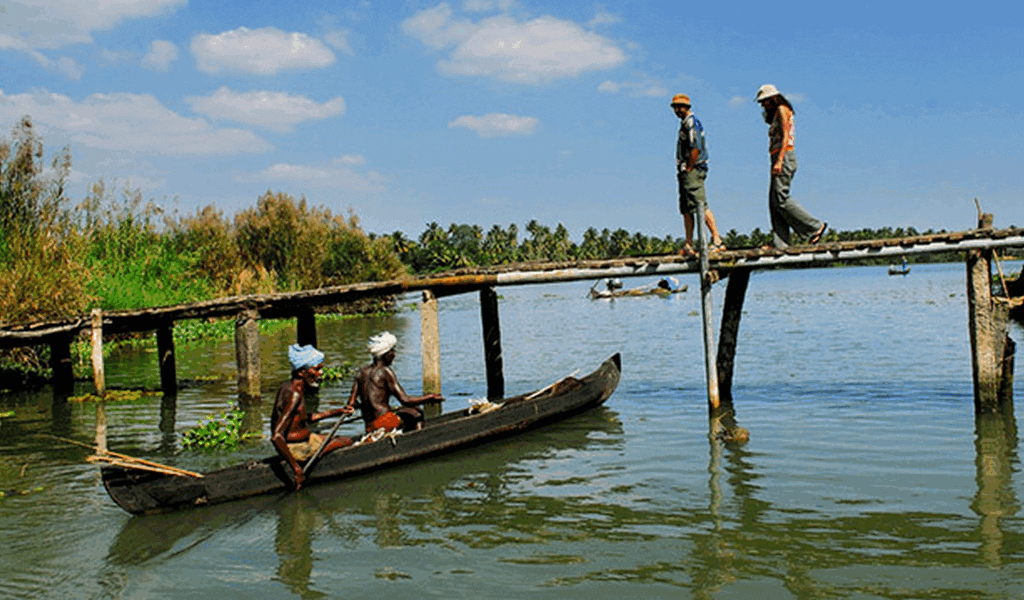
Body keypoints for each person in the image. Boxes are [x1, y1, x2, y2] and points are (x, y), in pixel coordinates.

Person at [271, 344, 354, 490]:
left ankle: (319, 451)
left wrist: (338, 411)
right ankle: (320, 461)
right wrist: (296, 468)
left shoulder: (288, 386)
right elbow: (276, 436)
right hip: (298, 448)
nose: (321, 373)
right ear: (302, 372)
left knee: (334, 438)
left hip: (304, 440)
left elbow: (305, 419)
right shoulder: (295, 394)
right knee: (347, 441)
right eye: (316, 369)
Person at [755, 84, 828, 249]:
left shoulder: (782, 109)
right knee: (774, 201)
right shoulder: (775, 113)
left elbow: (786, 136)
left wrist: (780, 160)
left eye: (765, 101)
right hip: (776, 157)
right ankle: (780, 243)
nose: (763, 105)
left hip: (784, 156)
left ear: (773, 98)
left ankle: (814, 226)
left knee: (780, 197)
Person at [347, 331, 444, 433]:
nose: (394, 355)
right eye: (392, 351)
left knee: (403, 410)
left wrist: (358, 405)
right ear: (386, 354)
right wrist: (430, 398)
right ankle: (417, 440)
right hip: (386, 422)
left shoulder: (360, 373)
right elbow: (405, 400)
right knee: (416, 412)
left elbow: (351, 403)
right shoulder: (385, 372)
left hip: (369, 426)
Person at [672, 93, 726, 256]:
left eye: (679, 107)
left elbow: (695, 146)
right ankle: (689, 244)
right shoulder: (685, 123)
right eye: (674, 107)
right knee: (686, 208)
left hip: (693, 169)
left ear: (686, 107)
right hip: (685, 170)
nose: (676, 110)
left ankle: (717, 239)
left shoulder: (692, 123)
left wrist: (690, 166)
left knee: (699, 204)